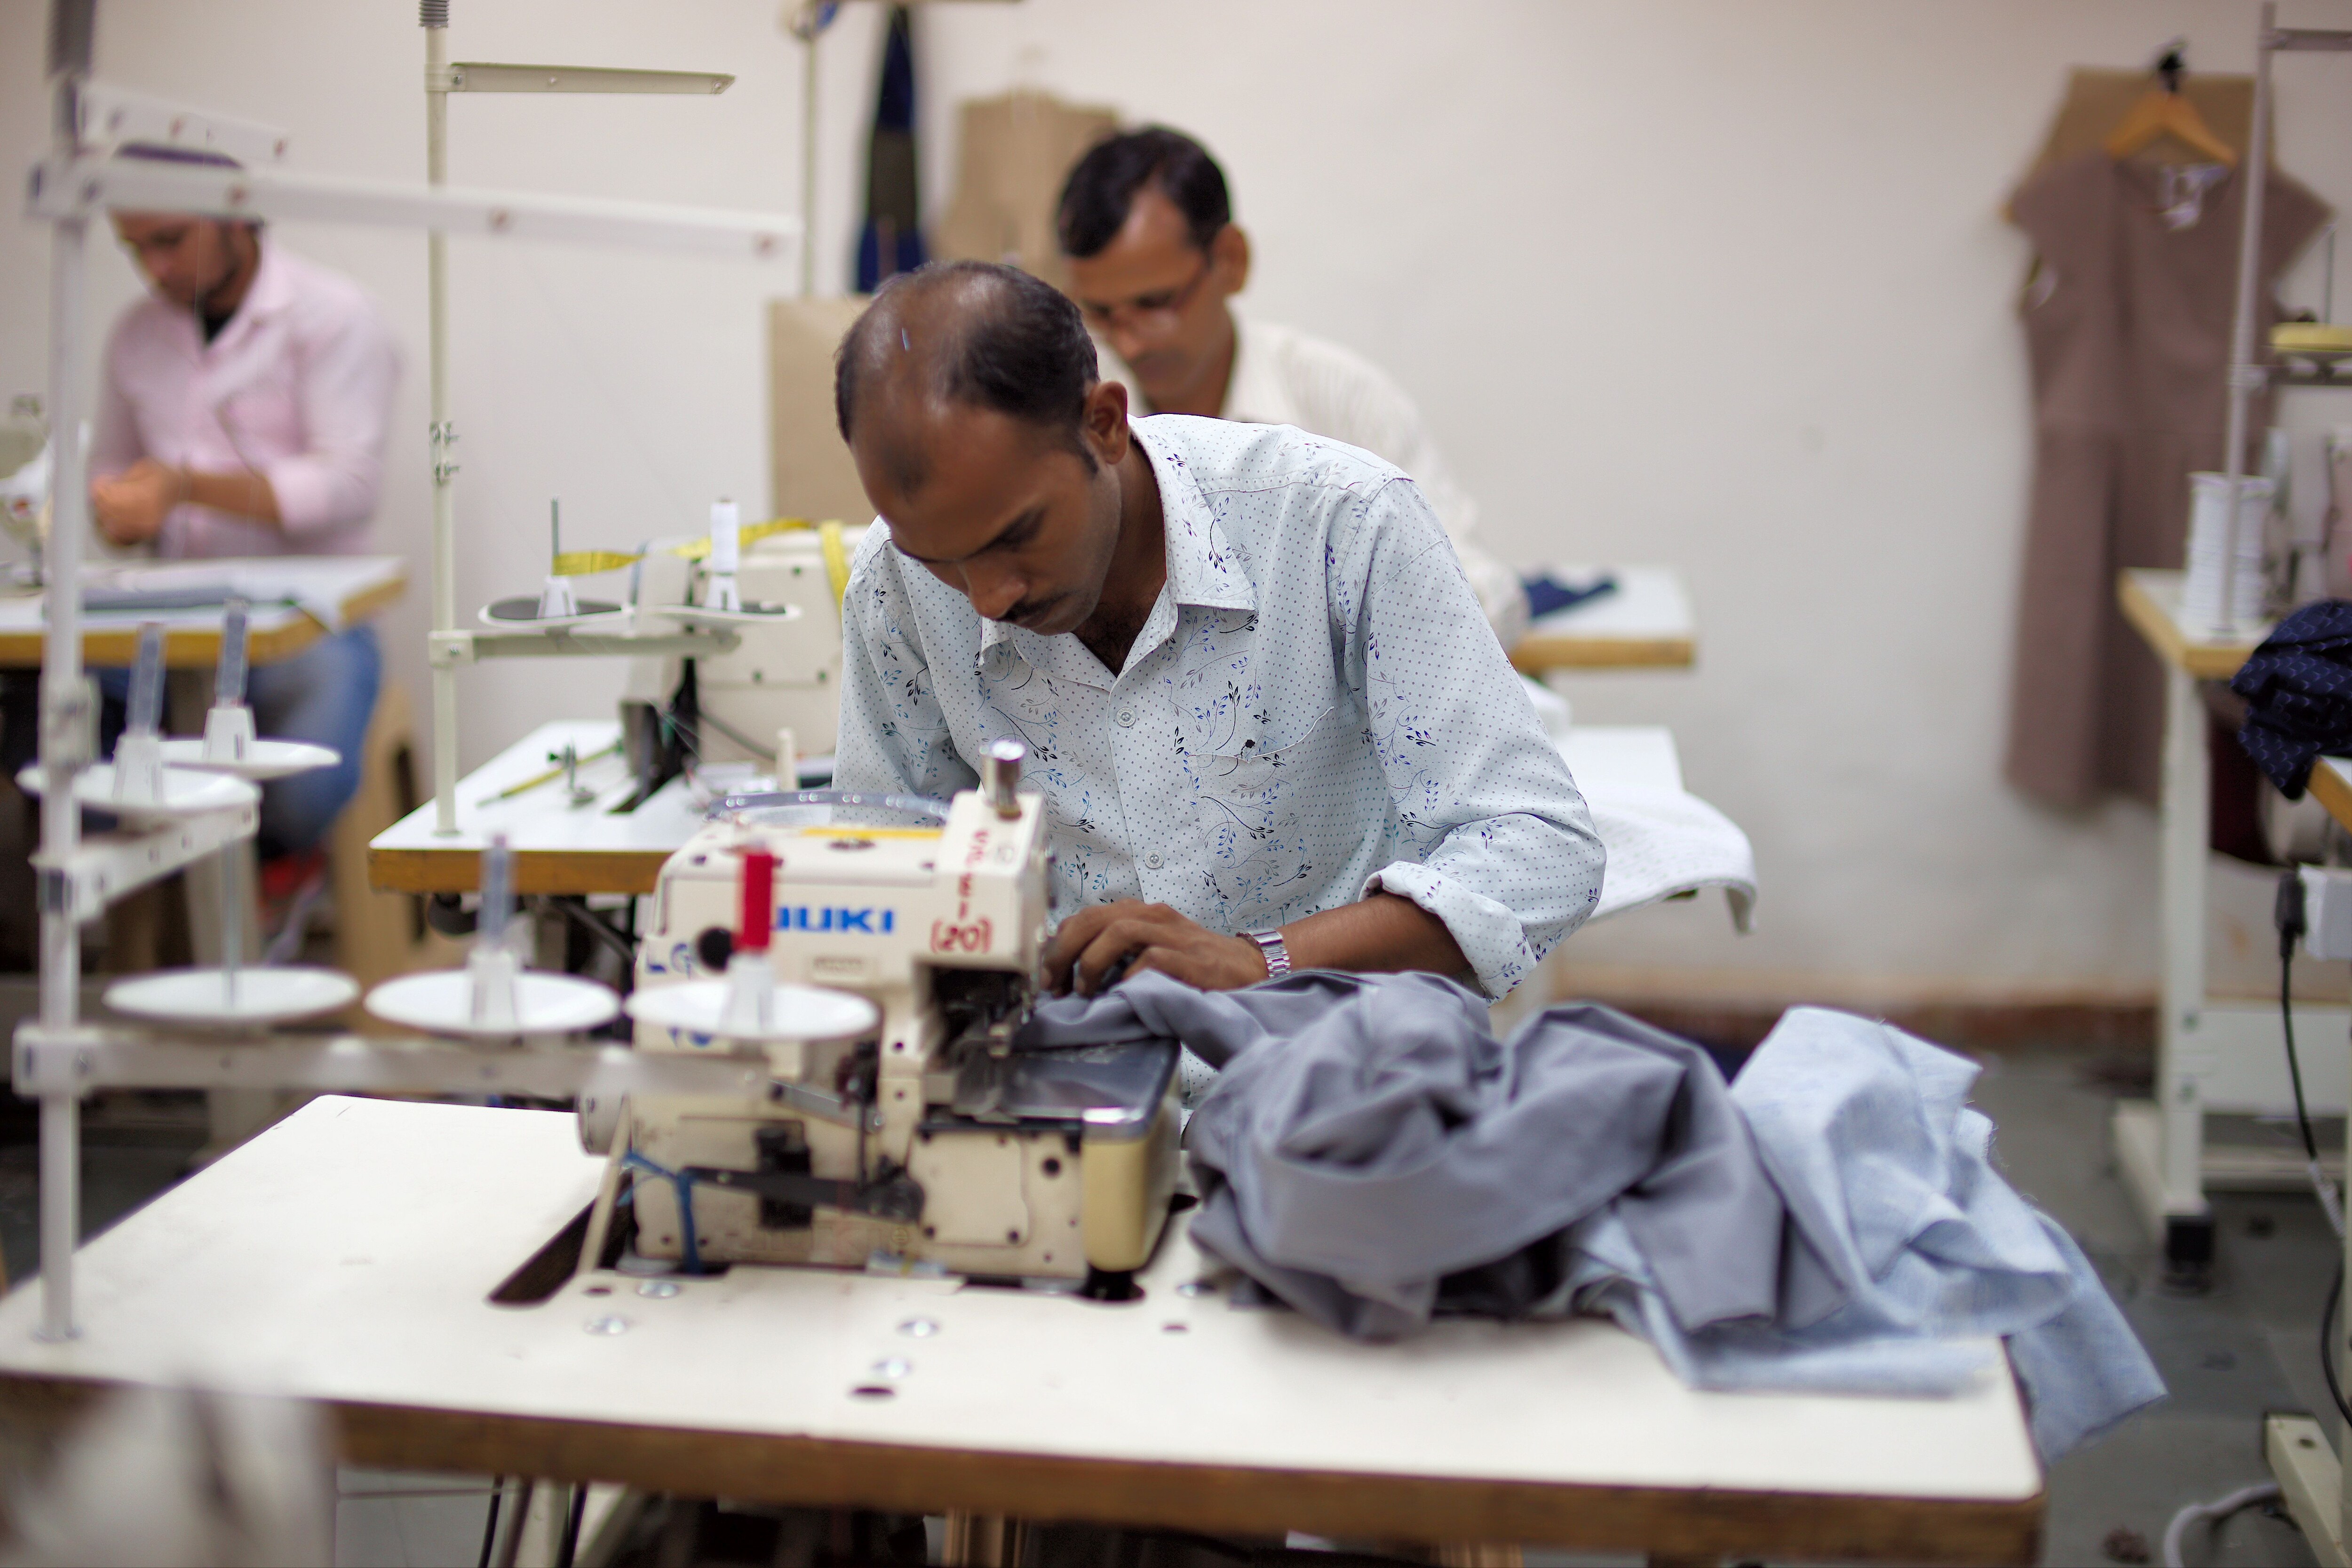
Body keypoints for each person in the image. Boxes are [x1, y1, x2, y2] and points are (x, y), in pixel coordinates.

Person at [830, 260, 1601, 1012]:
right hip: (1070, 1072)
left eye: (1018, 535)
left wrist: (1263, 960)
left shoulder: (1340, 521)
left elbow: (1540, 848)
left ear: (1102, 424)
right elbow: (884, 869)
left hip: (1339, 1066)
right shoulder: (892, 586)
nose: (989, 596)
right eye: (940, 560)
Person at [1056, 126, 1531, 647]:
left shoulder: (1338, 399)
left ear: (1231, 261)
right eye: (1101, 314)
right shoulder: (1078, 416)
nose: (1131, 342)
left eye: (1155, 304)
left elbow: (1479, 593)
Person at [89, 146, 398, 916]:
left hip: (308, 616)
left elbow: (349, 486)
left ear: (234, 212)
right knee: (64, 750)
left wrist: (188, 486)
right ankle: (155, 915)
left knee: (303, 791)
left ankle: (262, 874)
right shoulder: (135, 335)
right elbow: (114, 478)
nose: (154, 268)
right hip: (166, 614)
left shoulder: (333, 315)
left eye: (170, 240)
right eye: (135, 249)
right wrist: (118, 510)